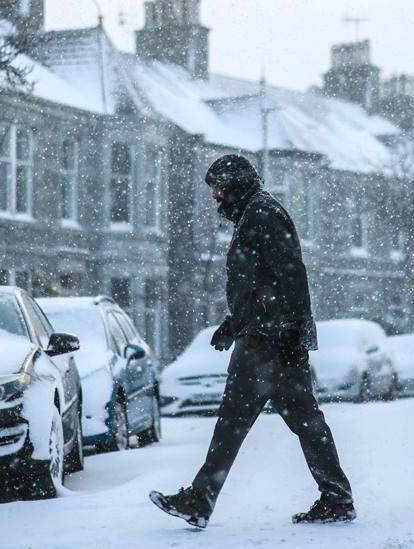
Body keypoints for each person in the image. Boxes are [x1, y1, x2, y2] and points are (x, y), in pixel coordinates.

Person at [150, 155, 354, 528]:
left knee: (233, 421)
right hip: (271, 334)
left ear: (236, 184)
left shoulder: (262, 214)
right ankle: (337, 497)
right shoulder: (255, 213)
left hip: (268, 339)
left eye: (219, 187)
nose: (215, 196)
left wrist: (290, 327)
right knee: (306, 420)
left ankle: (200, 499)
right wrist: (234, 323)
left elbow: (290, 273)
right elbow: (261, 283)